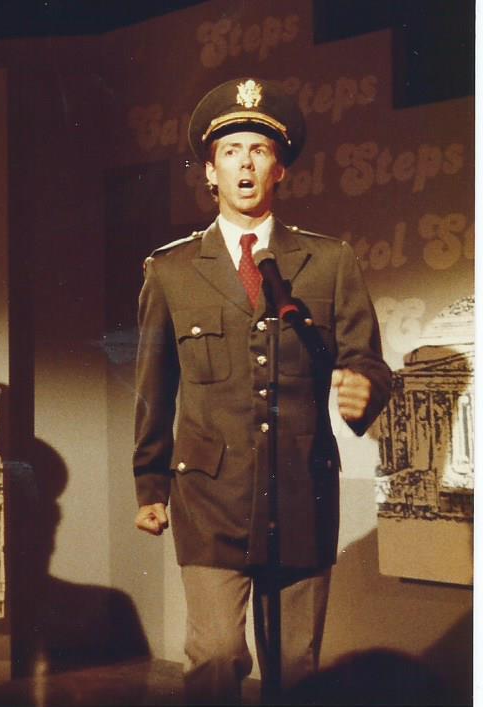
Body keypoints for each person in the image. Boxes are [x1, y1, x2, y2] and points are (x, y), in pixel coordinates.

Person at [132, 78, 392, 703]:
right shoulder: (169, 270)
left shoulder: (328, 262)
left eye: (258, 150)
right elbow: (152, 387)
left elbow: (367, 358)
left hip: (301, 488)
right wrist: (150, 484)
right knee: (217, 657)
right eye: (230, 151)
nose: (245, 162)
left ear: (281, 171)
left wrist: (364, 388)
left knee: (296, 668)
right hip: (208, 495)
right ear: (210, 173)